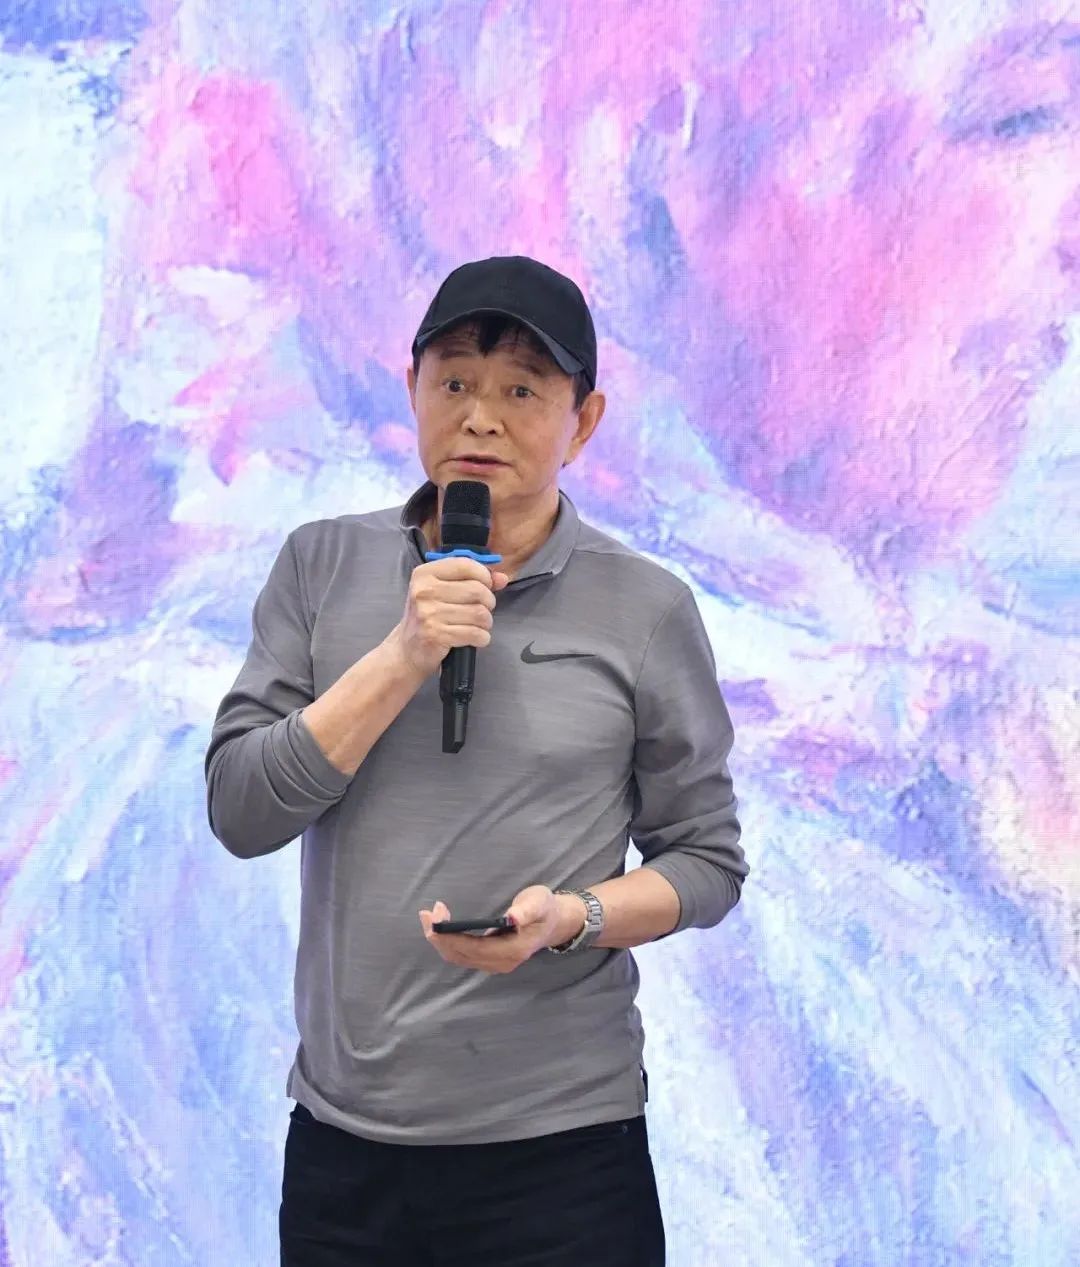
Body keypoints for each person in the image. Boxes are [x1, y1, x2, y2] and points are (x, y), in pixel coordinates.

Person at [204, 254, 749, 1267]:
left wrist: (571, 917)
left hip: (565, 1151)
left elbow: (707, 863)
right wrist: (402, 653)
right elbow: (240, 812)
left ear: (584, 421)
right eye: (453, 381)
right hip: (348, 1153)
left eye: (522, 391)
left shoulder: (645, 607)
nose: (481, 418)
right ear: (410, 388)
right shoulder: (320, 565)